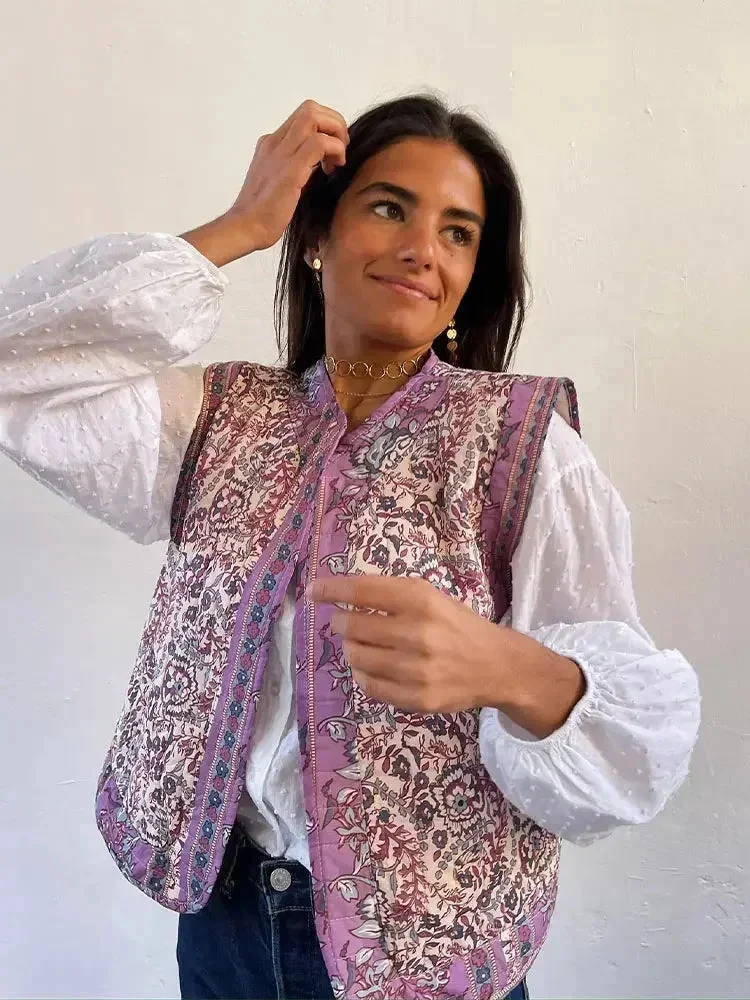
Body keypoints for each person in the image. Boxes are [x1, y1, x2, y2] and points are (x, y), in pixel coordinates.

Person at [0, 95, 700, 1000]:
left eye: (458, 232)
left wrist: (508, 668)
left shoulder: (523, 446)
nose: (423, 249)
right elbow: (16, 366)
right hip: (223, 927)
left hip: (424, 955)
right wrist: (240, 225)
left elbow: (639, 736)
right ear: (316, 235)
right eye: (389, 207)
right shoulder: (213, 418)